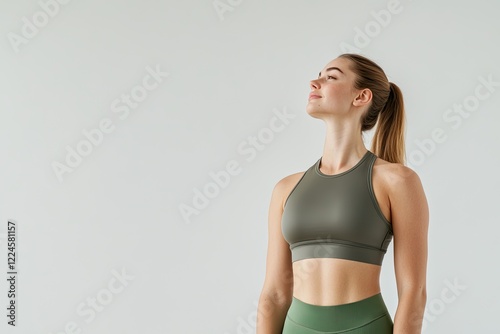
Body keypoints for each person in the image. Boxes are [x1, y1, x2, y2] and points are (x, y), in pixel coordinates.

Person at [256, 53, 429, 333]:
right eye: (318, 75)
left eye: (330, 77)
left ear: (361, 97)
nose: (315, 82)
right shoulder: (286, 189)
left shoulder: (397, 181)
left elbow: (413, 293)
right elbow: (274, 294)